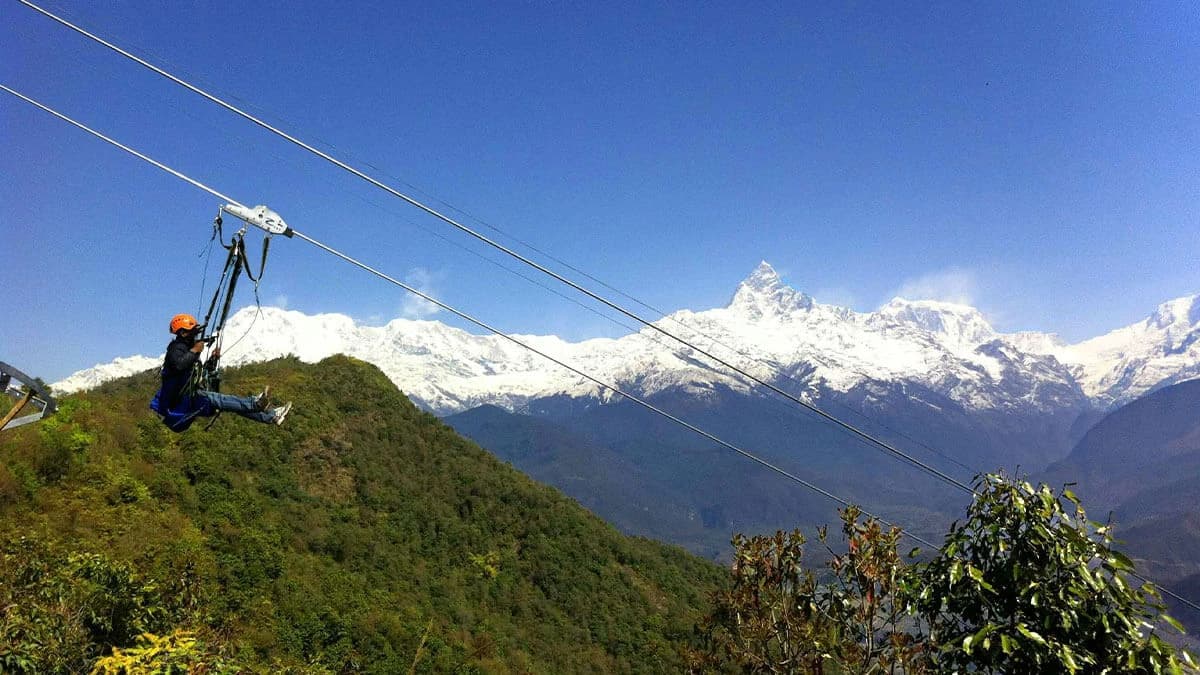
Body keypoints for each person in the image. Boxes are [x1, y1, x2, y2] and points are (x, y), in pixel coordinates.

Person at [150, 313, 292, 432]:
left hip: (188, 399)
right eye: (193, 332)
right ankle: (254, 403)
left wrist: (211, 360)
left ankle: (271, 416)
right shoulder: (176, 348)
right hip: (180, 402)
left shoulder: (185, 349)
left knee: (228, 404)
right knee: (219, 399)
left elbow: (197, 373)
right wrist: (194, 351)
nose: (195, 336)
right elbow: (179, 365)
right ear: (183, 333)